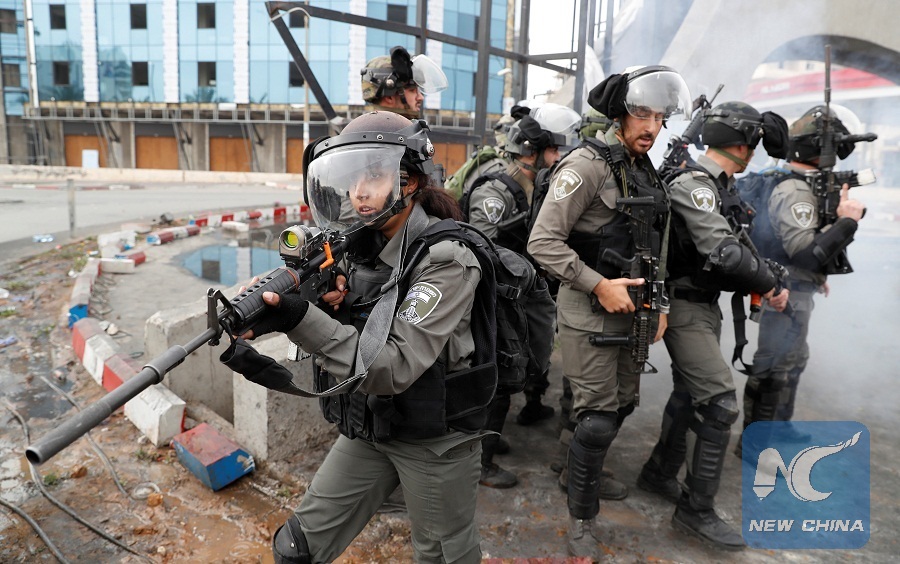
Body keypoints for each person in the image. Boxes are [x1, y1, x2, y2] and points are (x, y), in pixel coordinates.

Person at [239, 111, 490, 563]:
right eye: (354, 179)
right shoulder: (359, 245)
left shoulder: (446, 260)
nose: (359, 191)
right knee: (296, 548)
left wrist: (299, 319)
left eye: (374, 176)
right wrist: (300, 305)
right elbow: (355, 317)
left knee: (441, 555)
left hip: (434, 440)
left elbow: (392, 365)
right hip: (371, 425)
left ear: (410, 182)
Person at [527, 66, 691, 559]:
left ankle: (570, 466)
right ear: (620, 114)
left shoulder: (643, 169)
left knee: (621, 404)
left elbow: (655, 246)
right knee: (597, 418)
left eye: (660, 118)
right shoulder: (586, 166)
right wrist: (597, 285)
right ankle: (582, 520)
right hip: (589, 310)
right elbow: (542, 242)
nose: (652, 127)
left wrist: (660, 305)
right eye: (643, 115)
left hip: (634, 309)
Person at [637, 101, 791, 550]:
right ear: (741, 144)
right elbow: (722, 250)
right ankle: (695, 510)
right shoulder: (694, 183)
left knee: (691, 392)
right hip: (682, 304)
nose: (754, 152)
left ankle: (659, 472)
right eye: (753, 144)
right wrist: (768, 283)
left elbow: (739, 244)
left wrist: (767, 274)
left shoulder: (721, 186)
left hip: (702, 303)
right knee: (720, 402)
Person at [461, 102, 579, 488]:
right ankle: (480, 463)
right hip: (491, 300)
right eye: (552, 151)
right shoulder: (496, 192)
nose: (558, 158)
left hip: (511, 299)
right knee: (496, 377)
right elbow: (481, 250)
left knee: (508, 374)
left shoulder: (531, 188)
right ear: (532, 152)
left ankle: (487, 442)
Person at [738, 106, 867, 449]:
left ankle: (778, 428)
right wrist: (847, 222)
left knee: (793, 361)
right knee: (773, 368)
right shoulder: (795, 190)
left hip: (797, 287)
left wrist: (817, 276)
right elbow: (804, 252)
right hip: (785, 292)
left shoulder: (800, 182)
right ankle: (755, 445)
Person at [360, 46, 448, 119]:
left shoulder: (401, 129)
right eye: (412, 90)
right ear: (389, 97)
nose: (421, 97)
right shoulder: (388, 130)